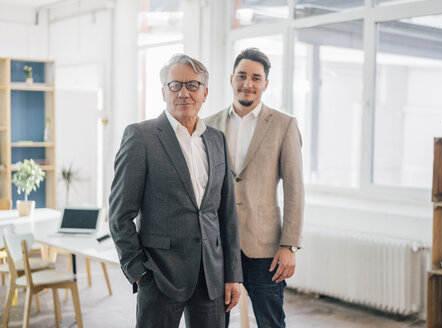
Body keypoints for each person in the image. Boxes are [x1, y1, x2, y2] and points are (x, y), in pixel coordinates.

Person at [109, 53, 242, 328]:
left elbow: (226, 214)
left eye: (192, 85)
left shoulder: (217, 140)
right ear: (163, 92)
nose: (184, 93)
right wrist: (139, 273)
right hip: (159, 276)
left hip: (211, 278)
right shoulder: (140, 137)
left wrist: (232, 275)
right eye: (175, 85)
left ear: (205, 93)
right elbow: (120, 215)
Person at [204, 48, 304, 328]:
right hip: (218, 244)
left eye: (256, 78)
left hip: (265, 248)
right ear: (231, 79)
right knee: (213, 321)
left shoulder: (285, 125)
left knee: (271, 321)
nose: (248, 83)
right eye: (242, 76)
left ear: (265, 84)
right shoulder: (208, 124)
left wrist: (289, 245)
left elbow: (295, 189)